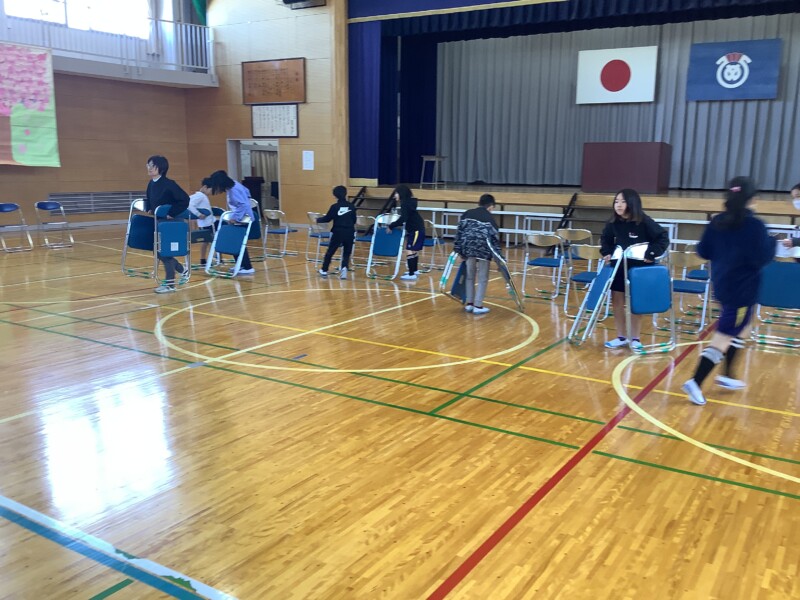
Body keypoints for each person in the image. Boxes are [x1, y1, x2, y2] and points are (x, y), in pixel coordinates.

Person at [682, 176, 775, 406]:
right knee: (724, 336)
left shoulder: (717, 221)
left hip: (723, 285)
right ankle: (695, 381)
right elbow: (762, 258)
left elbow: (703, 251)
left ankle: (727, 374)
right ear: (752, 199)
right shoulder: (755, 226)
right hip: (742, 291)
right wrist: (772, 243)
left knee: (742, 328)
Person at [600, 188, 670, 350]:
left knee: (635, 302)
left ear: (632, 203)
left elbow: (662, 237)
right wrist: (606, 252)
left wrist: (651, 253)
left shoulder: (644, 221)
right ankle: (621, 336)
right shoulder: (613, 223)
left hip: (639, 268)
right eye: (616, 201)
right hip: (619, 266)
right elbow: (605, 239)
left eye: (623, 201)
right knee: (617, 301)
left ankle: (635, 338)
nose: (618, 205)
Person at [144, 155, 190, 294]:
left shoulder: (169, 184)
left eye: (152, 165)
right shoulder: (151, 183)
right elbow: (150, 200)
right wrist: (149, 208)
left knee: (165, 252)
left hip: (171, 223)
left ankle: (170, 284)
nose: (149, 168)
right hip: (159, 222)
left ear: (161, 168)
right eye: (148, 165)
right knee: (158, 251)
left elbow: (184, 200)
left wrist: (172, 213)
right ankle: (182, 270)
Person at [453, 194, 501, 314]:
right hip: (483, 249)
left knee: (470, 275)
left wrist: (459, 251)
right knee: (482, 277)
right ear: (491, 206)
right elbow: (495, 240)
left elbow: (459, 233)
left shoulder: (467, 213)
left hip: (468, 248)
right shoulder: (490, 218)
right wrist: (500, 260)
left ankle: (470, 304)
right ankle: (478, 306)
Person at [206, 170, 256, 275]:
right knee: (236, 241)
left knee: (238, 242)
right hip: (241, 216)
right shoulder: (234, 185)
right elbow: (247, 192)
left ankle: (247, 267)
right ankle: (241, 265)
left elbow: (243, 205)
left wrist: (235, 218)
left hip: (243, 218)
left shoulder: (234, 190)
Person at [386, 184, 426, 281]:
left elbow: (403, 218)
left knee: (409, 250)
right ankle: (414, 270)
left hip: (416, 229)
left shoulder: (405, 204)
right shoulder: (409, 202)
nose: (395, 196)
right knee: (414, 250)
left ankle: (412, 274)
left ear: (401, 193)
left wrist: (391, 225)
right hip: (417, 228)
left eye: (396, 193)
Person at [316, 185, 357, 279]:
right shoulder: (352, 206)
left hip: (338, 231)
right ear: (345, 193)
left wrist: (318, 219)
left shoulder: (334, 207)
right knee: (347, 252)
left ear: (335, 195)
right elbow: (354, 220)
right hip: (350, 231)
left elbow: (327, 218)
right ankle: (344, 268)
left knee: (331, 251)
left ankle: (324, 269)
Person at [187, 178, 216, 267]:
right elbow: (189, 205)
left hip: (207, 223)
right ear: (205, 187)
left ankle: (204, 260)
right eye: (211, 190)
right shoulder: (200, 196)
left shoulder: (199, 195)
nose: (211, 193)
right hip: (206, 224)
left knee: (207, 242)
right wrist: (198, 214)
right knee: (212, 241)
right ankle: (215, 258)